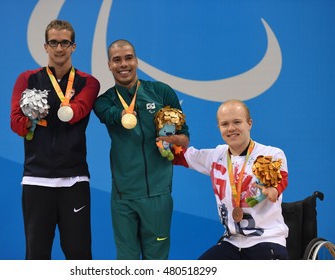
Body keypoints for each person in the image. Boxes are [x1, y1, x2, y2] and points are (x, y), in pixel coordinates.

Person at [10, 19, 100, 260]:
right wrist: (31, 118)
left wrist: (50, 107)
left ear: (73, 46)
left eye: (64, 43)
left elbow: (78, 111)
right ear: (45, 46)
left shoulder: (88, 82)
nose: (59, 48)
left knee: (79, 256)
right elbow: (16, 123)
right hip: (36, 180)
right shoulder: (27, 80)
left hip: (74, 180)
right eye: (54, 43)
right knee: (36, 256)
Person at [93, 39, 189, 260]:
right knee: (127, 263)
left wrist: (170, 137)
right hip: (123, 196)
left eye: (128, 58)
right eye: (117, 60)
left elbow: (185, 138)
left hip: (158, 194)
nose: (123, 64)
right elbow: (108, 115)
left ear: (136, 61)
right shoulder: (104, 101)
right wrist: (122, 115)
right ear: (109, 65)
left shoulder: (161, 92)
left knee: (156, 262)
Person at [161, 99, 289, 260]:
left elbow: (280, 179)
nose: (231, 128)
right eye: (225, 124)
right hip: (232, 242)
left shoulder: (271, 154)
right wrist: (164, 134)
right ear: (219, 128)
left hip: (267, 240)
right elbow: (179, 156)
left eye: (237, 122)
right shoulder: (217, 155)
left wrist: (273, 190)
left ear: (249, 123)